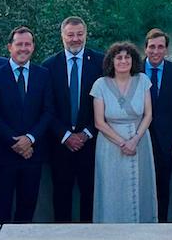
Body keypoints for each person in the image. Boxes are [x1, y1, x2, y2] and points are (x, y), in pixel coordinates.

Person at [0, 26, 53, 224]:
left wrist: (30, 139)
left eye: (27, 44)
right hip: (4, 154)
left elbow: (48, 111)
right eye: (19, 44)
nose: (23, 48)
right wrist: (15, 142)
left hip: (33, 154)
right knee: (1, 209)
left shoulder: (43, 74)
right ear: (9, 47)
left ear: (33, 47)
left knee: (27, 208)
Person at [42, 15, 103, 223]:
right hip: (60, 145)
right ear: (62, 36)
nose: (75, 39)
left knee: (90, 196)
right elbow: (47, 107)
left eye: (79, 34)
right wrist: (66, 135)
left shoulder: (101, 62)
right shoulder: (49, 66)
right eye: (70, 35)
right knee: (61, 197)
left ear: (86, 34)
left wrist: (86, 134)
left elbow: (105, 105)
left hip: (91, 143)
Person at [90, 41, 157, 223]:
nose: (123, 61)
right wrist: (122, 142)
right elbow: (99, 122)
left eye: (127, 57)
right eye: (118, 57)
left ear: (133, 60)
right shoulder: (100, 85)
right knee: (112, 189)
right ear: (111, 61)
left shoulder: (143, 80)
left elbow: (148, 114)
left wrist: (134, 140)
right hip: (110, 145)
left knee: (140, 188)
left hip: (140, 141)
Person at [143, 28, 172, 222]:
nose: (156, 51)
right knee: (140, 184)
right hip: (139, 138)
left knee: (163, 184)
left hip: (167, 139)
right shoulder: (133, 70)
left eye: (160, 47)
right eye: (152, 47)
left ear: (167, 50)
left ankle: (161, 225)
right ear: (145, 49)